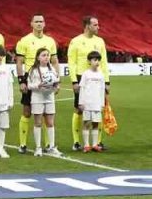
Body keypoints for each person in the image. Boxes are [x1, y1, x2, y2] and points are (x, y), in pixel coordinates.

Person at [15, 14, 59, 154]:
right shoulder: (24, 41)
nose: (39, 24)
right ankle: (22, 144)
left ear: (44, 24)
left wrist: (57, 79)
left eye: (41, 21)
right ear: (31, 24)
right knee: (27, 112)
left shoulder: (50, 41)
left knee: (48, 114)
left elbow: (55, 61)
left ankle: (48, 145)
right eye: (37, 21)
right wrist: (21, 80)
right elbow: (19, 62)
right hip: (31, 77)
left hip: (48, 78)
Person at [68, 15, 109, 152]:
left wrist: (107, 80)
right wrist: (74, 80)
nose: (98, 27)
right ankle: (77, 141)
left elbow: (104, 63)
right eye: (95, 25)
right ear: (87, 26)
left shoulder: (100, 41)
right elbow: (71, 62)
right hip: (81, 77)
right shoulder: (75, 41)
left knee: (98, 108)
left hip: (98, 78)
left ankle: (97, 142)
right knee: (79, 109)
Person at [26, 47, 61, 156]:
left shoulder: (52, 69)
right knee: (38, 123)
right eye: (44, 55)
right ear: (38, 57)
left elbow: (56, 82)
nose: (46, 57)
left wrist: (57, 87)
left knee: (50, 123)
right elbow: (29, 85)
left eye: (47, 55)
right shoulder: (33, 70)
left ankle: (51, 147)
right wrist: (38, 85)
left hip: (50, 98)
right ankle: (38, 148)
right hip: (37, 98)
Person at [76, 51, 108, 152]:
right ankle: (86, 145)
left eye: (98, 60)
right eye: (95, 60)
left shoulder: (101, 75)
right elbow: (82, 89)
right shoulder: (86, 74)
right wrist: (81, 102)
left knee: (96, 124)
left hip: (97, 103)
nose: (97, 62)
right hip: (87, 103)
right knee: (86, 123)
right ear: (89, 61)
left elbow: (102, 90)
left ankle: (94, 144)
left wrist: (102, 104)